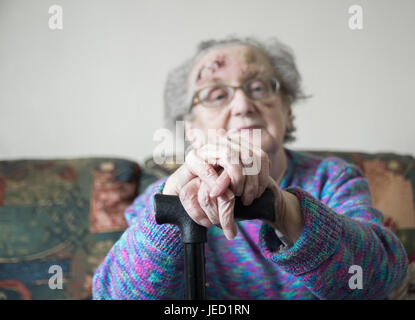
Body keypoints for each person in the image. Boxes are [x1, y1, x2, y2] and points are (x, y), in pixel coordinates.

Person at [92, 36, 408, 299]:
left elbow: (381, 278)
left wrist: (283, 209)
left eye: (258, 88)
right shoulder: (159, 199)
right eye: (216, 95)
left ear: (287, 110)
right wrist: (172, 212)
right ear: (190, 128)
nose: (243, 106)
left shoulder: (333, 178)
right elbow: (111, 296)